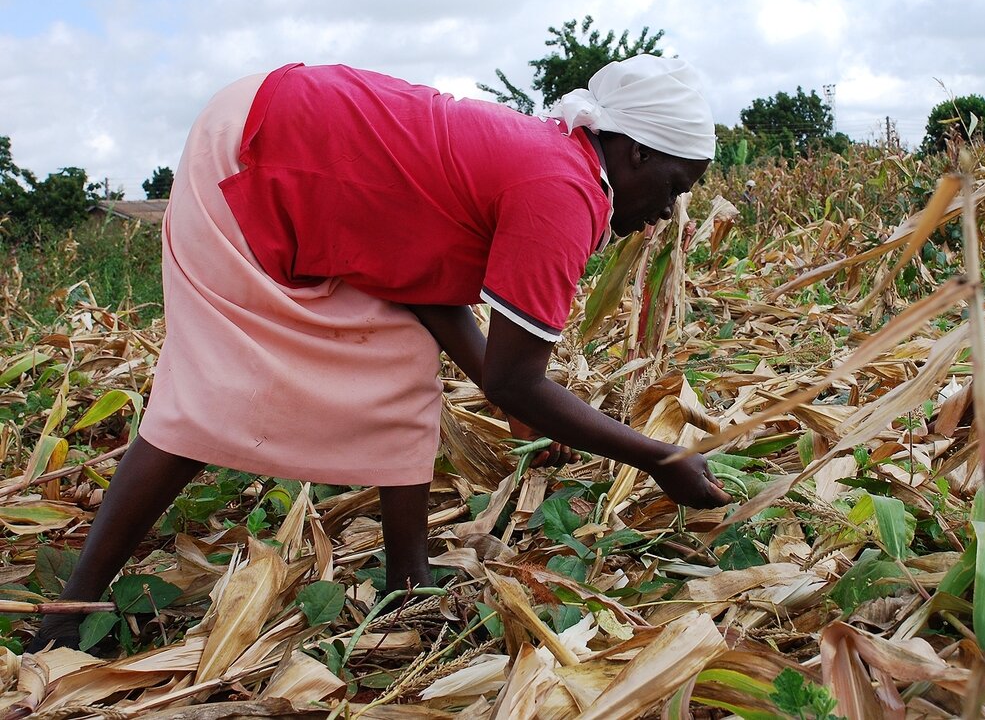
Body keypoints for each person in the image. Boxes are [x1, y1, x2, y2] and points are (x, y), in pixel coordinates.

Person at [29, 54, 732, 652]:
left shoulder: (553, 159)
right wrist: (661, 459)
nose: (668, 212)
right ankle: (69, 613)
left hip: (281, 132)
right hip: (254, 152)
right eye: (674, 187)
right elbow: (520, 379)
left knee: (397, 361)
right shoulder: (565, 190)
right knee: (208, 391)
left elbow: (425, 292)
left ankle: (406, 587)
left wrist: (509, 394)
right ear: (635, 152)